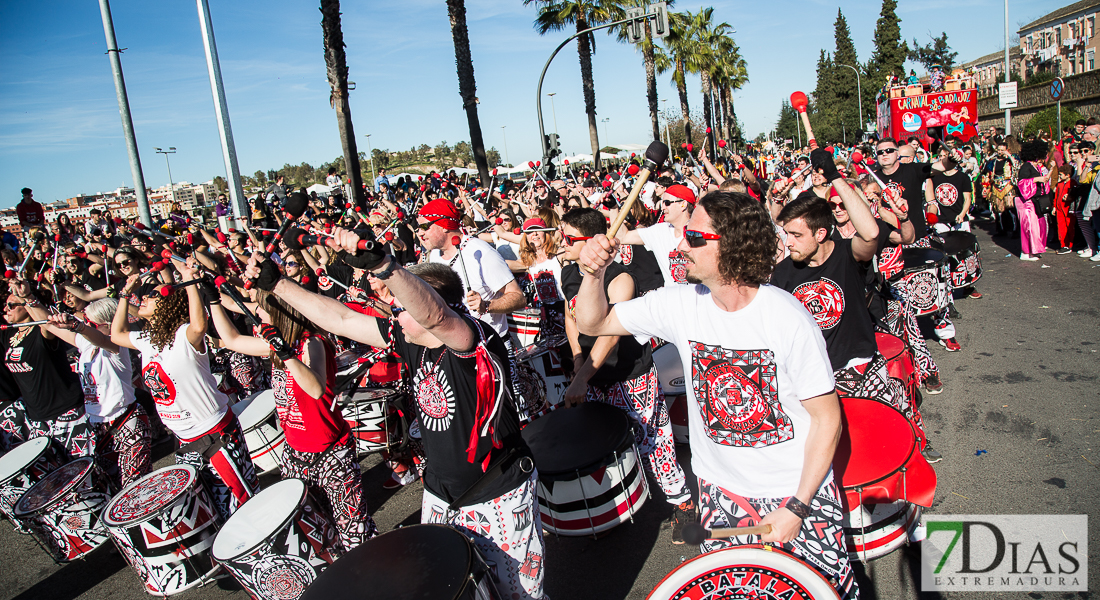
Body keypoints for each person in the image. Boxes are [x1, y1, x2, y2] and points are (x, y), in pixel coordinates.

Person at [573, 192, 857, 599]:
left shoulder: (788, 317)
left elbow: (828, 419)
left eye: (693, 236)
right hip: (721, 491)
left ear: (730, 244)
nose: (680, 245)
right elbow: (595, 321)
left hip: (793, 490)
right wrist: (592, 273)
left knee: (823, 592)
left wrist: (798, 505)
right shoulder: (680, 305)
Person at [246, 234, 546, 600]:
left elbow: (435, 317)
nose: (395, 315)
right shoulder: (408, 336)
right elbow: (339, 318)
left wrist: (386, 267)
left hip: (498, 494)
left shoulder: (472, 340)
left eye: (402, 308)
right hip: (441, 494)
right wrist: (278, 284)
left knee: (518, 595)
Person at [559, 208, 693, 543]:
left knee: (652, 440)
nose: (560, 243)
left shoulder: (621, 278)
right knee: (605, 441)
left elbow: (610, 334)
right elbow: (571, 314)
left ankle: (683, 504)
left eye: (567, 237)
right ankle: (619, 505)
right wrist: (577, 358)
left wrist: (581, 377)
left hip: (629, 374)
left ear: (590, 241)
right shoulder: (568, 272)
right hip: (591, 374)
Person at [208, 289, 377, 550]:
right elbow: (231, 339)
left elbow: (316, 388)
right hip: (294, 454)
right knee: (313, 530)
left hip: (330, 454)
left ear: (279, 314)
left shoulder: (313, 343)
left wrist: (287, 355)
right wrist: (212, 301)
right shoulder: (276, 345)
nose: (258, 315)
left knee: (354, 532)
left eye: (262, 310)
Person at [109, 259, 258, 519]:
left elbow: (200, 325)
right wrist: (124, 294)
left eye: (153, 295)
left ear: (169, 303)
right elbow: (116, 334)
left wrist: (188, 280)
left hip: (215, 434)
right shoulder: (146, 340)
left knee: (241, 504)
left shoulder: (184, 336)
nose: (144, 298)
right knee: (211, 509)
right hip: (185, 440)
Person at [40, 298, 152, 490]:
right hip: (100, 427)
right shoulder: (86, 344)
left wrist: (77, 326)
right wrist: (30, 300)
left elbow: (100, 339)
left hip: (126, 421)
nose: (85, 326)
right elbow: (47, 324)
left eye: (91, 323)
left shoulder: (116, 345)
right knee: (111, 488)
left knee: (133, 489)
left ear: (108, 325)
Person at [874, 137, 961, 352]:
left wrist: (953, 159)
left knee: (934, 286)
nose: (884, 154)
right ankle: (902, 337)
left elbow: (941, 166)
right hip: (890, 241)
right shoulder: (872, 177)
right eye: (880, 152)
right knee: (894, 292)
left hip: (917, 238)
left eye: (889, 150)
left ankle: (944, 329)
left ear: (897, 154)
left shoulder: (912, 170)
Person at [418, 199, 526, 348]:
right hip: (455, 345)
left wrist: (486, 305)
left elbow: (518, 298)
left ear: (443, 225)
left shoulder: (482, 252)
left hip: (491, 345)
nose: (420, 233)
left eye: (425, 226)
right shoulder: (435, 255)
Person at [5, 281, 94, 460]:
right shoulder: (8, 335)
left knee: (84, 469)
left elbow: (48, 323)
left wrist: (28, 297)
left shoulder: (43, 331)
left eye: (12, 305)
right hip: (38, 418)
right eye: (5, 305)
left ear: (27, 308)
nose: (6, 309)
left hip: (66, 410)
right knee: (57, 475)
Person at [615, 184, 696, 287]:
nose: (663, 207)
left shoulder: (701, 233)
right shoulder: (660, 230)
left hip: (700, 299)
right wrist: (614, 209)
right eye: (662, 203)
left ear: (683, 204)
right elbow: (623, 237)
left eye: (667, 203)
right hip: (671, 299)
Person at [1015, 139, 1051, 261]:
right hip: (1026, 202)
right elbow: (1021, 183)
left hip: (1034, 201)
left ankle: (1033, 250)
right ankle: (1026, 252)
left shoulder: (1035, 167)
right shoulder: (1026, 166)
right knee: (1029, 226)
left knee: (1038, 226)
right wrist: (1036, 180)